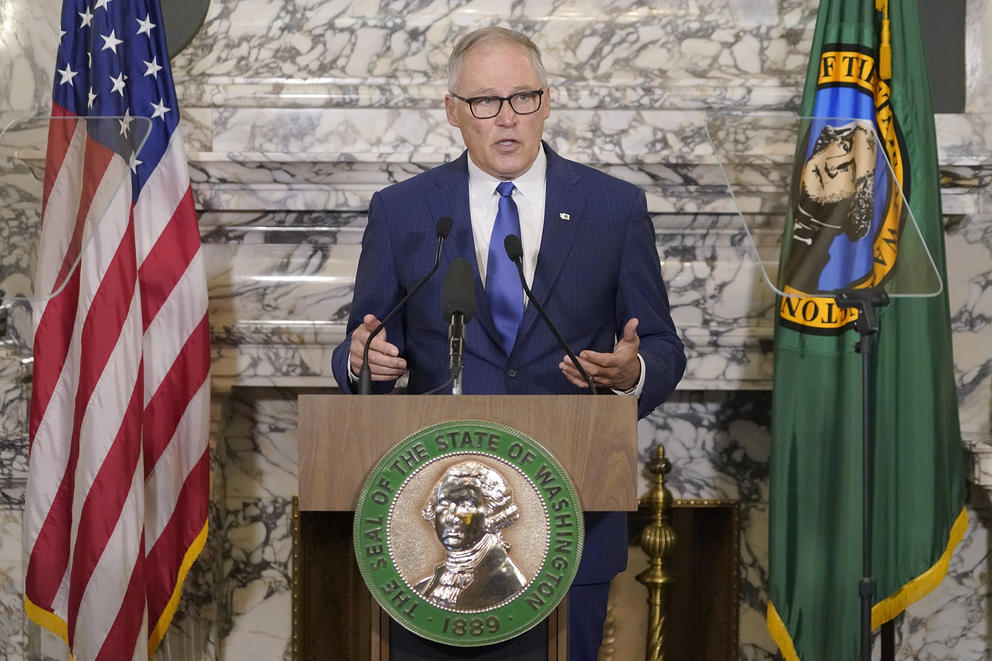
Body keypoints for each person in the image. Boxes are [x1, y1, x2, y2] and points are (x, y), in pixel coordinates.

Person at [331, 26, 686, 660]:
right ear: (452, 112)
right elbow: (361, 347)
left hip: (571, 515)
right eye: (485, 102)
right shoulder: (405, 211)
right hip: (432, 528)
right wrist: (364, 363)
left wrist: (629, 374)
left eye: (523, 98)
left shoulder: (613, 208)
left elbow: (660, 345)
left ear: (546, 102)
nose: (507, 119)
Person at [414, 461, 528, 610]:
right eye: (444, 504)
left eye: (466, 505)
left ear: (492, 513)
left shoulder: (510, 587)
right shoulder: (422, 589)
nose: (451, 517)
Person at [785, 120, 879, 293]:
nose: (834, 166)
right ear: (825, 142)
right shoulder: (786, 207)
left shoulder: (825, 267)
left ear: (856, 195)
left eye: (853, 168)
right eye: (844, 145)